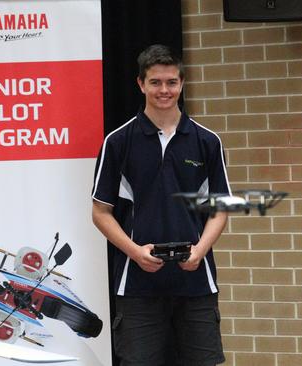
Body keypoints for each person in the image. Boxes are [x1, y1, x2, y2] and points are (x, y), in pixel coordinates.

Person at [91, 44, 230, 366]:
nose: (164, 90)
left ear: (182, 84)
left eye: (171, 82)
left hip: (196, 283)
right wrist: (134, 251)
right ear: (141, 84)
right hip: (138, 285)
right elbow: (100, 212)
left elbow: (220, 210)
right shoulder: (118, 142)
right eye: (155, 82)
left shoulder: (207, 141)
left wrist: (199, 250)